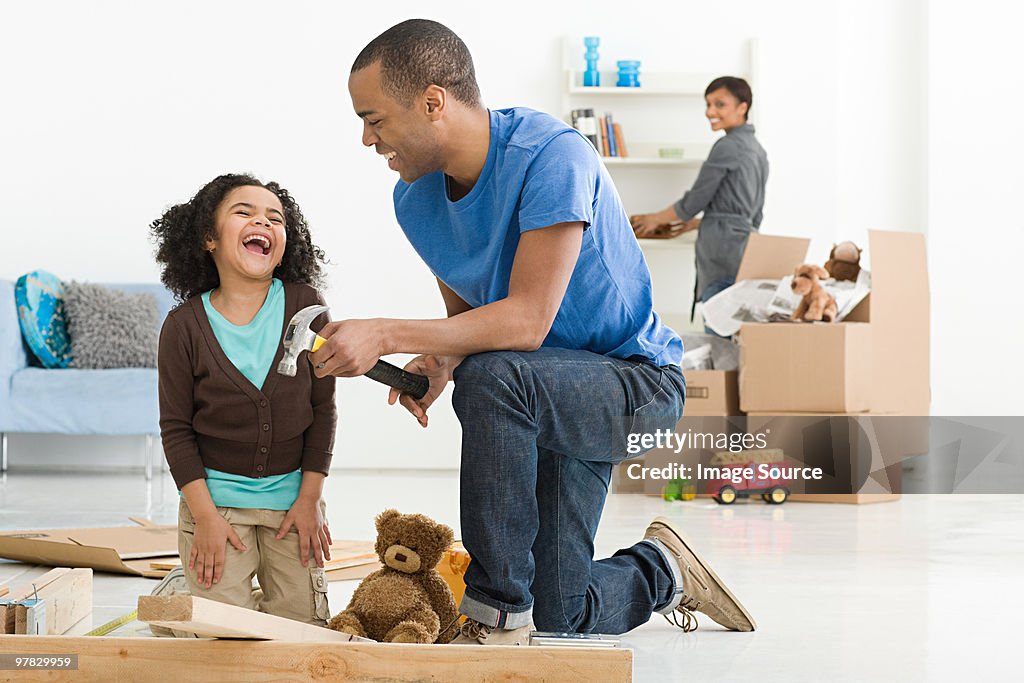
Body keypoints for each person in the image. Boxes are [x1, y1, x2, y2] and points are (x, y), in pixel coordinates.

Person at [315, 19, 756, 644]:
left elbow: (525, 320)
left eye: (375, 118)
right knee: (562, 611)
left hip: (636, 386)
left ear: (433, 102)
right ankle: (664, 571)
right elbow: (468, 315)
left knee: (490, 376)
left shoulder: (553, 155)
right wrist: (434, 363)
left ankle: (495, 616)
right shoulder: (413, 199)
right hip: (535, 393)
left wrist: (383, 334)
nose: (366, 138)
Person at [151, 174, 335, 627]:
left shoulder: (305, 305)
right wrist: (205, 518)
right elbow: (176, 430)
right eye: (245, 213)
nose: (264, 222)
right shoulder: (183, 327)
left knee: (301, 631)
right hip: (216, 505)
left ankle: (200, 591)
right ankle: (179, 589)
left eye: (276, 218)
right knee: (224, 638)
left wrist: (310, 497)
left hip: (292, 503)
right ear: (209, 238)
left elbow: (323, 408)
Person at [631, 76, 769, 323]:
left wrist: (654, 220)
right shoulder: (758, 150)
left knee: (718, 329)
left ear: (742, 107)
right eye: (708, 104)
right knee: (737, 334)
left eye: (719, 104)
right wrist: (698, 224)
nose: (710, 112)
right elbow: (753, 212)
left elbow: (694, 201)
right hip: (747, 249)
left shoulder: (728, 145)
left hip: (722, 252)